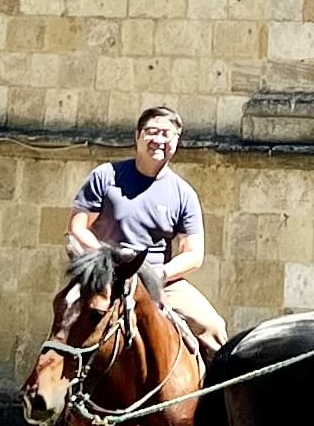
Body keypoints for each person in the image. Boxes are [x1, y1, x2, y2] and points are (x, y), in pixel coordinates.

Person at [67, 104, 228, 365]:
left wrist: (160, 274)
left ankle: (215, 401)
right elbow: (77, 227)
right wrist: (109, 260)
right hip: (104, 276)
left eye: (167, 134)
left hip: (156, 279)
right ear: (138, 136)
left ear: (176, 141)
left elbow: (193, 254)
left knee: (213, 327)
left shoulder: (183, 194)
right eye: (152, 132)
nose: (159, 140)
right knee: (66, 325)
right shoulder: (106, 176)